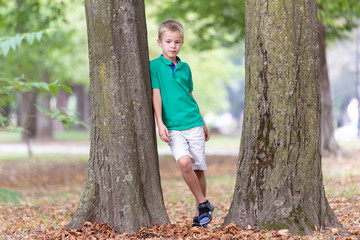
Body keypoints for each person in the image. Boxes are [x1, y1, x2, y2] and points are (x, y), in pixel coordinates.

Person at [150, 19, 214, 228]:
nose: (172, 46)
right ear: (160, 42)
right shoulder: (154, 67)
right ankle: (204, 203)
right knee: (184, 162)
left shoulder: (185, 68)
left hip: (193, 122)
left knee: (198, 168)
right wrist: (159, 123)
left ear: (181, 43)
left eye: (177, 42)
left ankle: (200, 216)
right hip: (174, 126)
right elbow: (156, 95)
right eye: (168, 41)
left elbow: (189, 95)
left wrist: (202, 121)